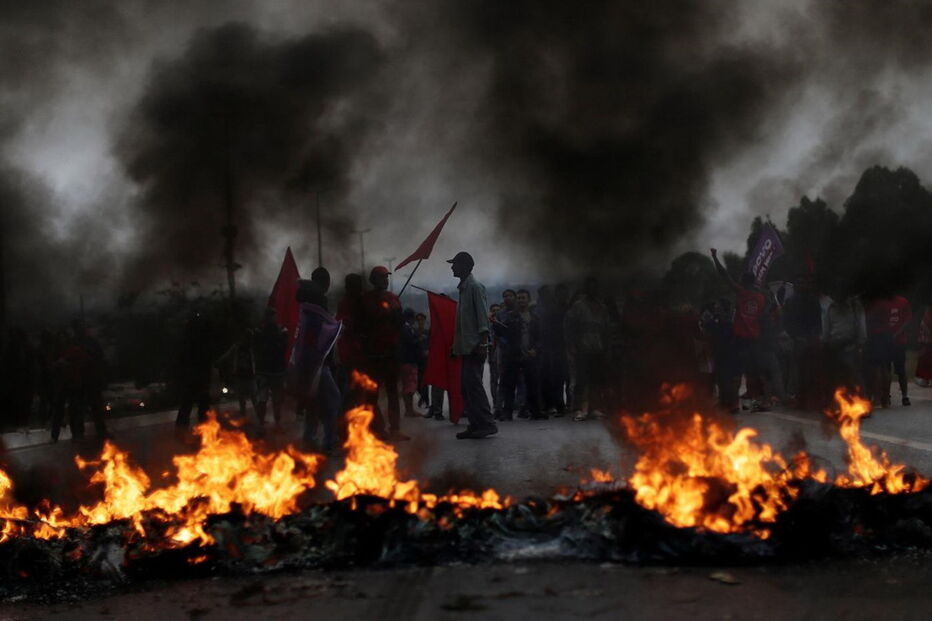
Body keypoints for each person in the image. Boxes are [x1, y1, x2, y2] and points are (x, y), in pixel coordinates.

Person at [710, 249, 769, 411]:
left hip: (740, 338)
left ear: (744, 282)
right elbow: (764, 318)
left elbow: (724, 275)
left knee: (735, 372)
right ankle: (762, 401)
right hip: (755, 338)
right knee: (754, 372)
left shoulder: (742, 293)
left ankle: (734, 404)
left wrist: (715, 257)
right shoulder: (761, 298)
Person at [448, 251, 497, 439]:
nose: (452, 267)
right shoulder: (463, 289)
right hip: (466, 347)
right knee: (466, 387)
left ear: (465, 267)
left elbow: (482, 319)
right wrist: (455, 346)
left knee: (474, 387)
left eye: (455, 264)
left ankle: (487, 424)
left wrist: (483, 344)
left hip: (475, 346)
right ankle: (475, 424)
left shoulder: (475, 287)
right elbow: (462, 324)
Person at [296, 267, 343, 452]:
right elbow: (318, 333)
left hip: (305, 361)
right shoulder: (317, 301)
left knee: (313, 403)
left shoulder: (305, 301)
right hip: (316, 363)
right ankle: (329, 443)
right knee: (333, 399)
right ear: (326, 283)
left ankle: (309, 440)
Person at [360, 266, 409, 441]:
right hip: (373, 355)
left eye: (386, 277)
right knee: (372, 394)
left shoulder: (393, 299)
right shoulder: (366, 300)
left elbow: (400, 325)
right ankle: (378, 428)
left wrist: (397, 315)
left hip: (391, 353)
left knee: (393, 392)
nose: (385, 281)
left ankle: (395, 429)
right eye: (382, 278)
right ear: (374, 280)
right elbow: (361, 326)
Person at [564, 277, 609, 421]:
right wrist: (571, 345)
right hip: (582, 349)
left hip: (598, 349)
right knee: (581, 381)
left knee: (596, 381)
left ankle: (594, 409)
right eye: (591, 287)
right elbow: (569, 327)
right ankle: (577, 409)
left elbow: (605, 330)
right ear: (586, 289)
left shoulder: (602, 307)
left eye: (596, 287)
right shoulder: (578, 306)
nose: (594, 290)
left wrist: (606, 348)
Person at [496, 289, 545, 420]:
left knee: (532, 384)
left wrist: (536, 349)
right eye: (519, 298)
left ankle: (535, 411)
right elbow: (503, 333)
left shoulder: (535, 318)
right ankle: (507, 412)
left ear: (528, 300)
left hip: (530, 355)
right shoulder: (511, 317)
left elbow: (540, 338)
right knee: (509, 384)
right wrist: (495, 324)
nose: (521, 300)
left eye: (523, 298)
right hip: (513, 355)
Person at [821, 287, 867, 398]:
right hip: (834, 347)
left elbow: (862, 327)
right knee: (836, 377)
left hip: (851, 347)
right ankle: (839, 403)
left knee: (854, 376)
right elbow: (826, 329)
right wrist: (825, 343)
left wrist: (860, 344)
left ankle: (861, 402)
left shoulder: (855, 308)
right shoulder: (830, 308)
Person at [175, 312, 214, 438]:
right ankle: (199, 433)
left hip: (194, 379)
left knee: (190, 406)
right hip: (196, 379)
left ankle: (185, 432)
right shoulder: (199, 342)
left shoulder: (189, 341)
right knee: (197, 407)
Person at [253, 308, 288, 426]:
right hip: (265, 371)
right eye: (271, 316)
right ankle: (262, 423)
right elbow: (256, 349)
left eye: (273, 316)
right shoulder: (259, 331)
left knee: (275, 399)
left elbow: (284, 348)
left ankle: (275, 423)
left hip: (275, 370)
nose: (272, 319)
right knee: (264, 398)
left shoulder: (278, 330)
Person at [217, 325, 257, 419]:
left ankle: (258, 416)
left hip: (250, 376)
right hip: (241, 375)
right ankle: (245, 415)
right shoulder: (238, 347)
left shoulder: (251, 348)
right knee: (243, 398)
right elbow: (228, 355)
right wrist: (219, 361)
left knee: (253, 397)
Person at [400, 308, 422, 417]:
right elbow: (410, 343)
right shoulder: (406, 329)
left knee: (409, 386)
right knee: (409, 386)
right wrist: (419, 340)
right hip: (408, 361)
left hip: (407, 361)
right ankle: (409, 410)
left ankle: (409, 409)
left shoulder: (405, 328)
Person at [415, 312, 430, 409]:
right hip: (417, 359)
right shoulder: (414, 332)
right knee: (417, 382)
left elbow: (430, 344)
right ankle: (422, 397)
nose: (420, 322)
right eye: (419, 320)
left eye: (422, 320)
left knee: (425, 381)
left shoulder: (427, 332)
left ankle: (426, 400)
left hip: (425, 360)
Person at [915, 306, 932, 387]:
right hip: (926, 342)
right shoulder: (927, 315)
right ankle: (925, 378)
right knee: (924, 360)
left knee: (925, 360)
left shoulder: (928, 316)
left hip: (927, 342)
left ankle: (925, 379)